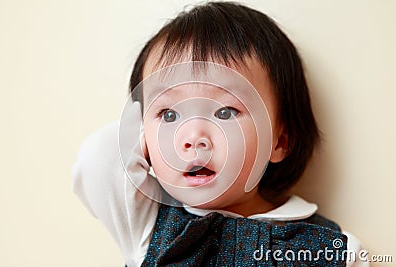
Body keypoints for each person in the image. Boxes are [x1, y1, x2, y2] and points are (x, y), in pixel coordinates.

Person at [72, 2, 367, 266]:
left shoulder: (333, 250)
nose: (193, 138)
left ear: (280, 141)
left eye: (224, 112)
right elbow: (99, 156)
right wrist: (152, 134)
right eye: (170, 114)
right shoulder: (146, 225)